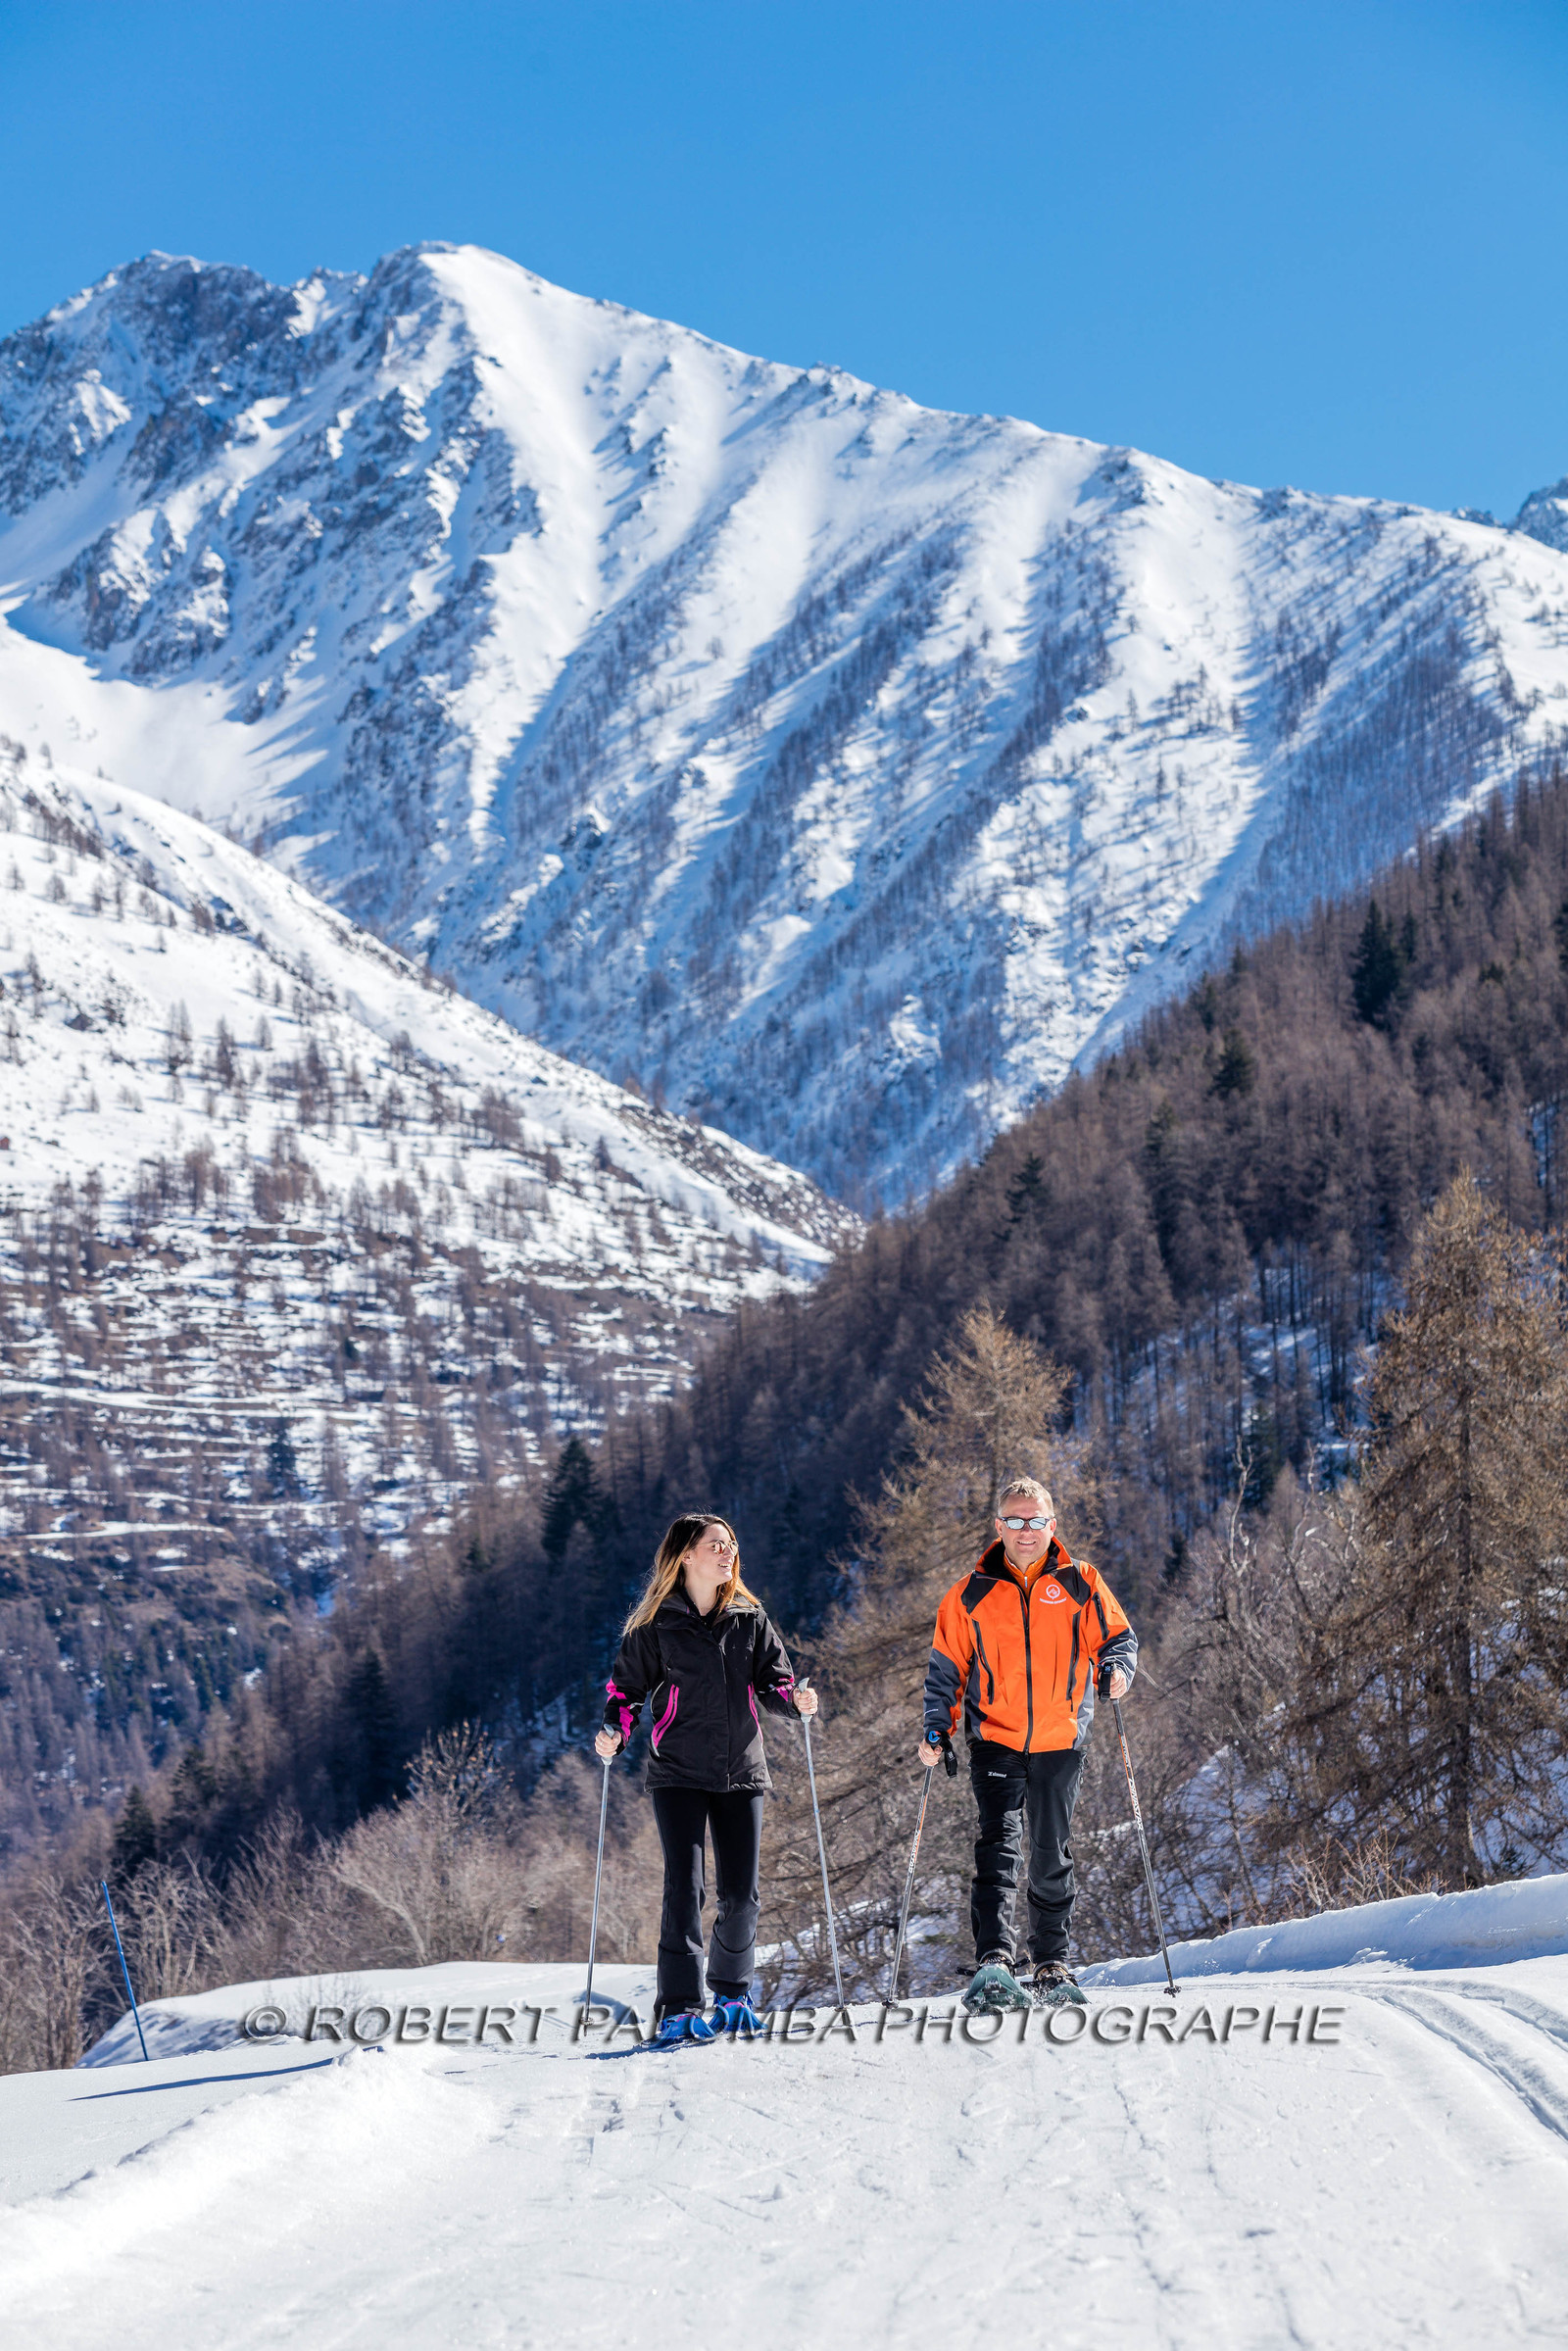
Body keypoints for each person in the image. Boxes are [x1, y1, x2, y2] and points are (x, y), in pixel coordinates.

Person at [595, 1511, 817, 2040]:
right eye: (716, 1544)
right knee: (684, 1890)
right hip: (679, 1773)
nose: (729, 1551)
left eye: (732, 1544)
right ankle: (678, 2007)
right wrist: (615, 1733)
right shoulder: (655, 1626)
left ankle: (733, 1997)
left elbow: (775, 1683)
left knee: (741, 1894)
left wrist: (796, 1700)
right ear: (686, 1556)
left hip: (741, 1769)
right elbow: (623, 1695)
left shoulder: (749, 1617)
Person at [919, 1476, 1137, 2011]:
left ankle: (1051, 1965)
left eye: (1035, 1521)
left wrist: (1117, 1669)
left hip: (1061, 1738)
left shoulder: (1080, 1580)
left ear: (1051, 1525)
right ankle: (994, 1963)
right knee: (998, 1845)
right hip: (995, 1737)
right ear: (999, 1527)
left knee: (1049, 1851)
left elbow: (1118, 1638)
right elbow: (946, 1670)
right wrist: (936, 1729)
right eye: (1015, 1521)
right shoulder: (970, 1593)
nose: (1025, 1531)